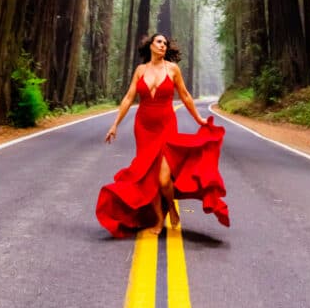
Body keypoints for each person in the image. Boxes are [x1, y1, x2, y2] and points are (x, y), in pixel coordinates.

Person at [96, 32, 230, 238]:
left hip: (166, 126)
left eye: (165, 44)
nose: (163, 46)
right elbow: (129, 98)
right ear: (150, 45)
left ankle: (172, 207)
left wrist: (199, 120)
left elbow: (185, 96)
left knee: (164, 179)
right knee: (149, 177)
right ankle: (159, 218)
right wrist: (115, 124)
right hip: (143, 128)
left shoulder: (173, 69)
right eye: (159, 42)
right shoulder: (140, 70)